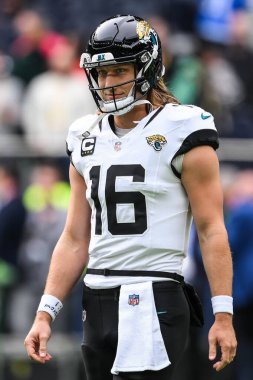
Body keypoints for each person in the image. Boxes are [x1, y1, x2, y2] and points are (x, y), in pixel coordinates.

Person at [24, 15, 237, 380]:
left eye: (118, 71)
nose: (107, 84)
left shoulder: (183, 127)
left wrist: (223, 314)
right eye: (101, 73)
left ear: (147, 68)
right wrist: (46, 312)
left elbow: (211, 229)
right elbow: (76, 237)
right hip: (96, 295)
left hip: (154, 292)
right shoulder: (84, 135)